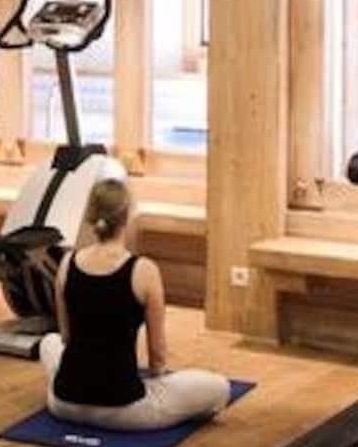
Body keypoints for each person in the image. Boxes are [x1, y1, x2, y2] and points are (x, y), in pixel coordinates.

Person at [37, 177, 231, 432]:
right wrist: (160, 386)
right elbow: (157, 357)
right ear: (126, 219)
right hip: (125, 410)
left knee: (49, 342)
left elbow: (66, 337)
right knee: (219, 388)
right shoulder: (144, 270)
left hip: (64, 403)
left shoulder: (66, 263)